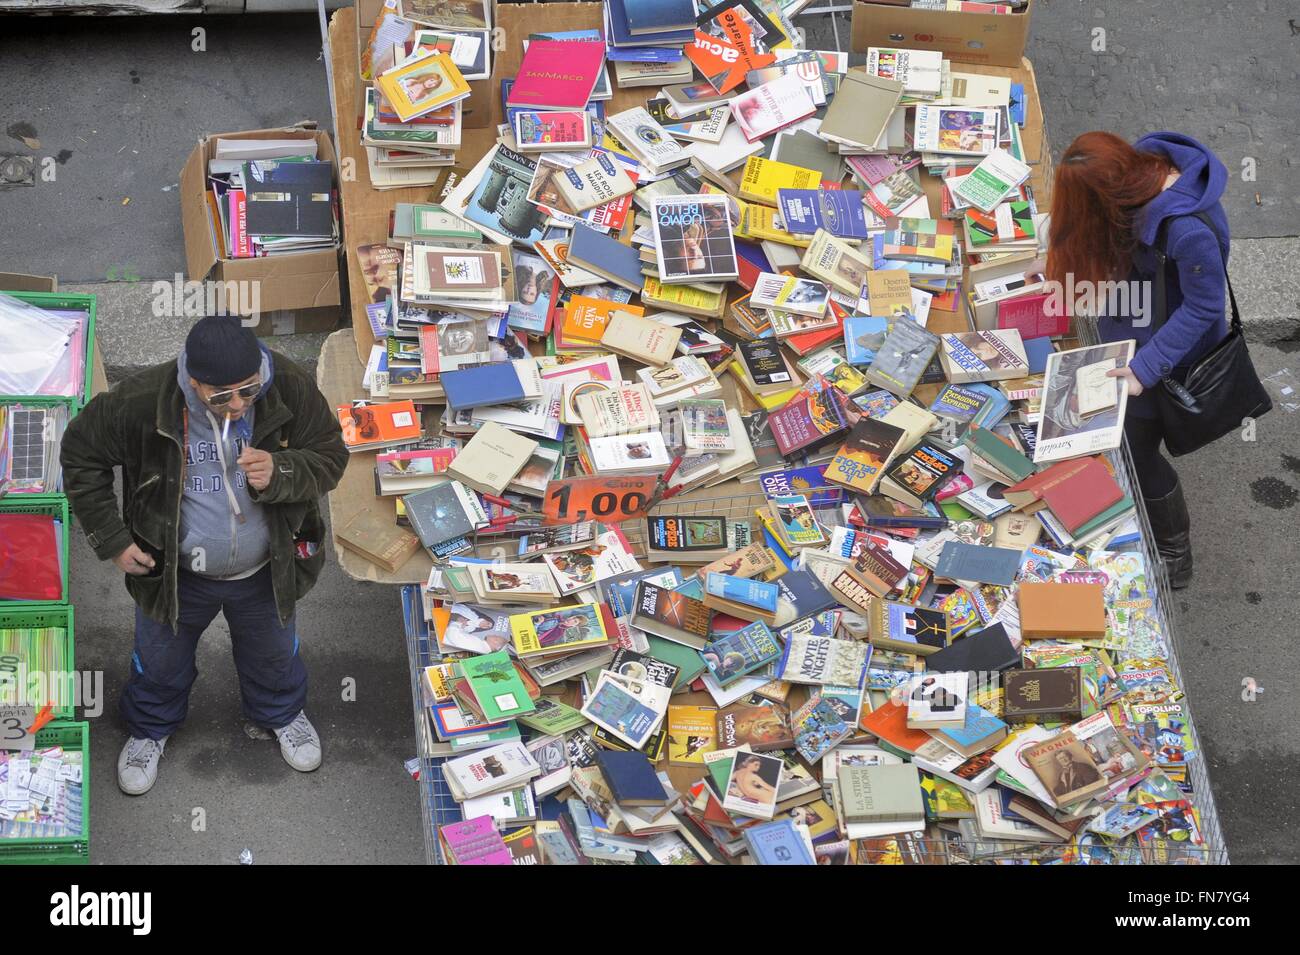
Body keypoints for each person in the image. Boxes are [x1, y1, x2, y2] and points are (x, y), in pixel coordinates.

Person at [60, 316, 347, 795]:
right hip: (172, 573)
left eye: (248, 391)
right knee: (159, 661)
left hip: (266, 568)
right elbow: (80, 453)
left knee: (274, 656)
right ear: (192, 380)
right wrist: (111, 540)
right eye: (220, 396)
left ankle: (280, 714)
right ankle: (150, 728)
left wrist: (283, 469)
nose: (237, 405)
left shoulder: (288, 383)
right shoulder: (141, 400)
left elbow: (331, 455)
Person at [1045, 131, 1232, 589]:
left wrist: (1145, 370)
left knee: (1137, 448)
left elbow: (1204, 307)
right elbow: (1099, 235)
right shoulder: (1139, 173)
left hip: (1163, 354)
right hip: (1135, 326)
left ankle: (1174, 553)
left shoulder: (1187, 231)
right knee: (1128, 440)